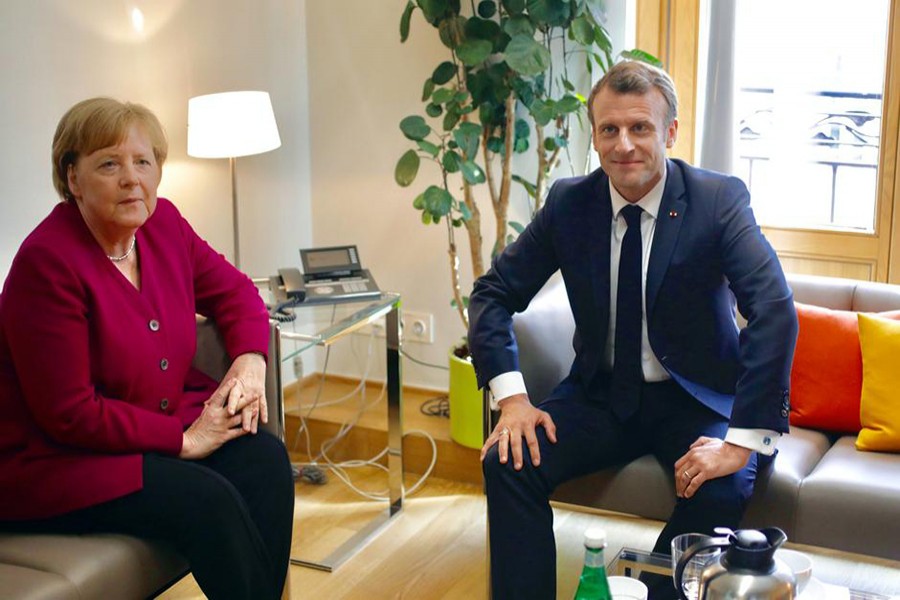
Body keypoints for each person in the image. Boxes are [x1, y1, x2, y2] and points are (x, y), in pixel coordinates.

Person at [469, 61, 798, 599]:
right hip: (599, 395)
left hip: (697, 399)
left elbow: (774, 308)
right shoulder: (569, 203)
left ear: (669, 132)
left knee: (720, 488)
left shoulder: (716, 201)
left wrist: (740, 443)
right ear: (595, 136)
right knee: (508, 461)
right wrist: (513, 400)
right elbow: (493, 293)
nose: (624, 145)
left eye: (640, 127)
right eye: (610, 129)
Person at [0, 98, 293, 599]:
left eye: (143, 161)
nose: (131, 179)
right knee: (206, 501)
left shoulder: (164, 225)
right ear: (73, 178)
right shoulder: (47, 263)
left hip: (150, 426)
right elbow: (68, 414)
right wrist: (184, 441)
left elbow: (237, 292)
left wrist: (249, 361)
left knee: (265, 461)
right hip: (59, 458)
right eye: (108, 164)